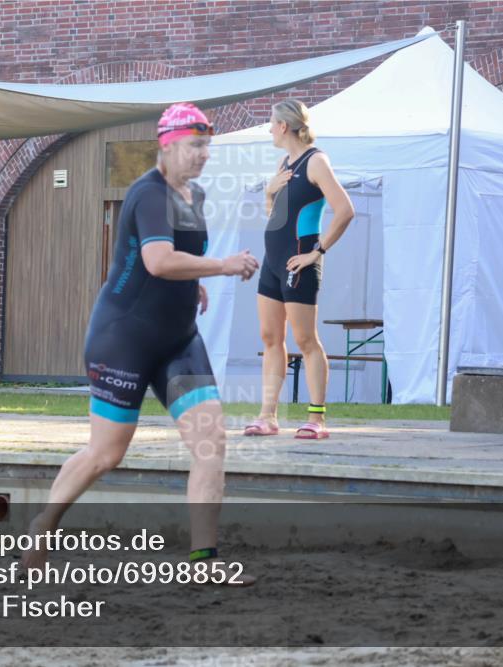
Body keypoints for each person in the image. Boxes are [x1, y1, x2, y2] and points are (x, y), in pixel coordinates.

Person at [21, 103, 259, 583]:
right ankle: (42, 526)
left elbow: (179, 258)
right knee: (106, 455)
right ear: (166, 146)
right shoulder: (148, 194)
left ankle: (204, 562)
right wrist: (222, 266)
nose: (203, 155)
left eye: (206, 146)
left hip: (178, 341)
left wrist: (192, 284)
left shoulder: (195, 194)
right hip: (123, 341)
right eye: (194, 146)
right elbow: (156, 260)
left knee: (211, 442)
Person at [243, 99, 354, 439]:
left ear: (284, 126)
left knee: (305, 339)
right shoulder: (283, 162)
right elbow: (275, 215)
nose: (268, 128)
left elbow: (345, 210)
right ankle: (268, 417)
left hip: (299, 261)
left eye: (271, 122)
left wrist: (316, 253)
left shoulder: (316, 161)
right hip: (273, 262)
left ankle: (316, 419)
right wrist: (268, 192)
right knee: (270, 337)